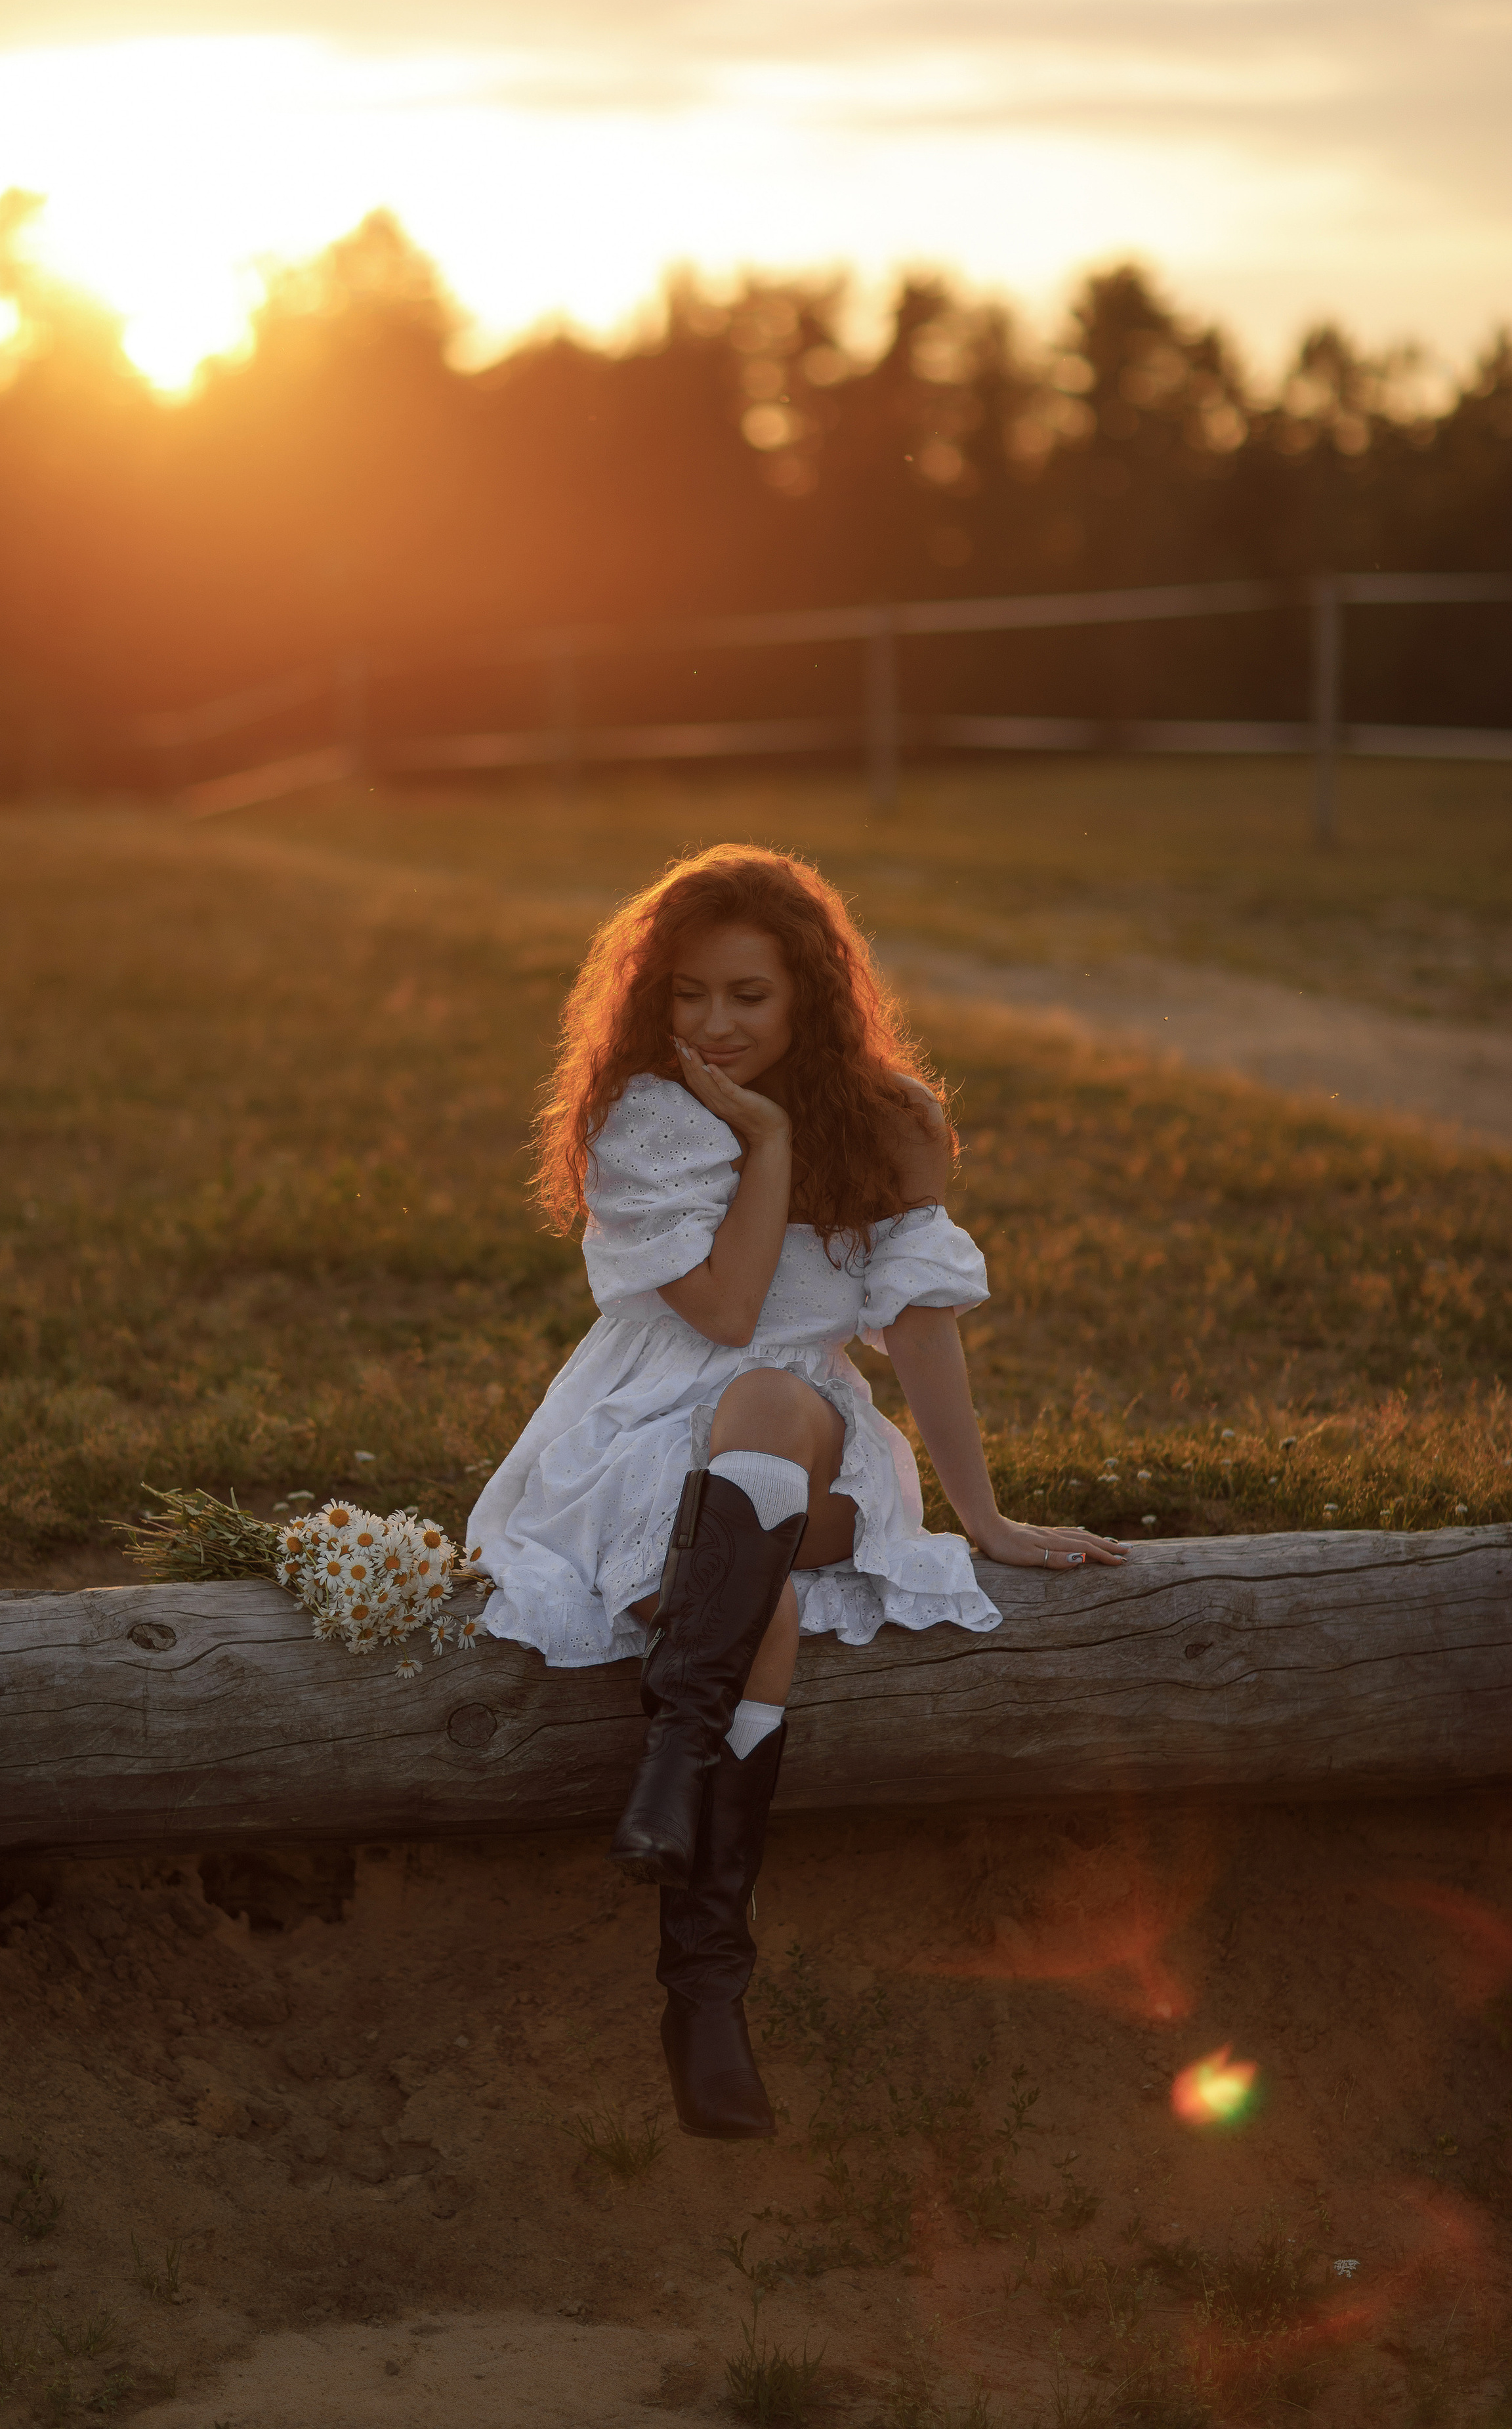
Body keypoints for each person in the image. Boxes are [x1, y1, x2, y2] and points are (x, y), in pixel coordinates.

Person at [469, 845, 1124, 2142]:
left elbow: (919, 1332)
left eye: (749, 998)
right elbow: (714, 1309)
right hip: (640, 1431)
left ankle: (671, 1761)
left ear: (808, 997)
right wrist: (761, 1139)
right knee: (751, 1593)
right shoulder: (645, 1113)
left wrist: (983, 1518)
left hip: (801, 1437)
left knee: (772, 1408)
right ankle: (703, 1986)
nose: (714, 1025)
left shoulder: (892, 1120)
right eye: (690, 996)